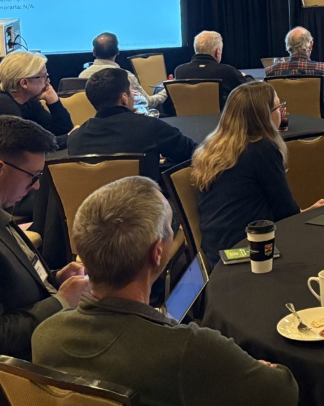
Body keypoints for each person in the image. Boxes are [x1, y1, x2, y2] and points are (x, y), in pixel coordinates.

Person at [33, 176, 299, 406]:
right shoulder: (190, 349)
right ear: (157, 252)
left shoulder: (45, 336)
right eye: (171, 228)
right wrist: (260, 368)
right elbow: (283, 392)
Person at [192, 81, 324, 267]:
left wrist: (306, 210)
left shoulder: (212, 147)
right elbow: (286, 213)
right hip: (251, 251)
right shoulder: (262, 149)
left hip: (216, 252)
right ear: (264, 116)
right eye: (278, 107)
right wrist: (307, 213)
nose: (282, 112)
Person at [0, 116, 90, 358]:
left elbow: (11, 286)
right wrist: (61, 301)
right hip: (28, 364)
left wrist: (55, 278)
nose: (37, 186)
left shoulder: (4, 210)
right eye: (33, 176)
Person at [67, 68, 196, 183]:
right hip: (143, 201)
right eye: (131, 90)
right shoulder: (150, 127)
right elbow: (193, 153)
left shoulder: (75, 138)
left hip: (94, 202)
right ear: (124, 98)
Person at [264, 26, 324, 123]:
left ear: (287, 45)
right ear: (311, 44)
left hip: (285, 126)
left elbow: (266, 103)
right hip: (322, 126)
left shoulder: (271, 72)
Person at [80, 32, 167, 111]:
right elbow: (149, 103)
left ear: (94, 53)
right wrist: (168, 88)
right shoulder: (125, 76)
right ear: (117, 52)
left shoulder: (82, 76)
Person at [0, 51, 73, 144]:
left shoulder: (29, 101)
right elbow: (26, 145)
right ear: (24, 83)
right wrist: (69, 137)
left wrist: (54, 101)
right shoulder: (3, 103)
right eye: (44, 76)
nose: (48, 81)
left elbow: (59, 130)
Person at [173, 30, 251, 107]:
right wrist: (246, 77)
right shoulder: (227, 71)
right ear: (218, 52)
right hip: (222, 115)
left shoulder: (179, 71)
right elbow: (251, 90)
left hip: (188, 115)